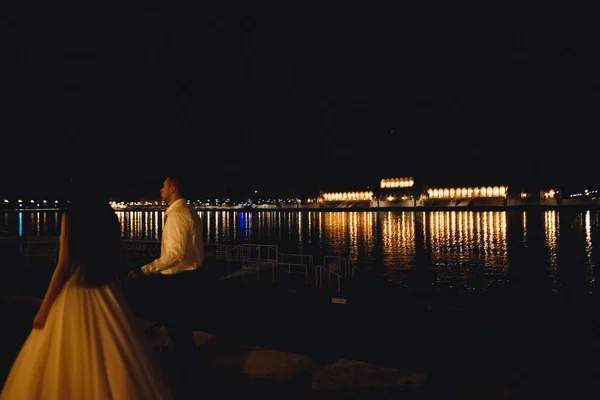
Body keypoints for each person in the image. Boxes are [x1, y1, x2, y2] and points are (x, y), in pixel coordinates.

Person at [0, 177, 173, 400]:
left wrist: (44, 309)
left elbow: (63, 266)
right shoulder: (108, 217)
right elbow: (115, 257)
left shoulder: (71, 216)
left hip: (75, 290)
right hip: (106, 291)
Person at [125, 175, 204, 398]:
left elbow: (175, 254)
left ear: (173, 188)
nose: (160, 190)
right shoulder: (188, 212)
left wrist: (145, 270)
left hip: (178, 280)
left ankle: (187, 380)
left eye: (163, 186)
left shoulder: (179, 215)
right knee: (179, 327)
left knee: (178, 329)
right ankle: (188, 374)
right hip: (187, 279)